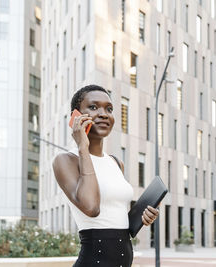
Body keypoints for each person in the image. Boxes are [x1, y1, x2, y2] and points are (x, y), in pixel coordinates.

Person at [52, 85, 159, 267]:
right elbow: (91, 207)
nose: (103, 114)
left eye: (109, 109)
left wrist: (140, 218)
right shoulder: (66, 160)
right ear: (76, 116)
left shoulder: (116, 162)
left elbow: (113, 214)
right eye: (93, 107)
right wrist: (82, 148)